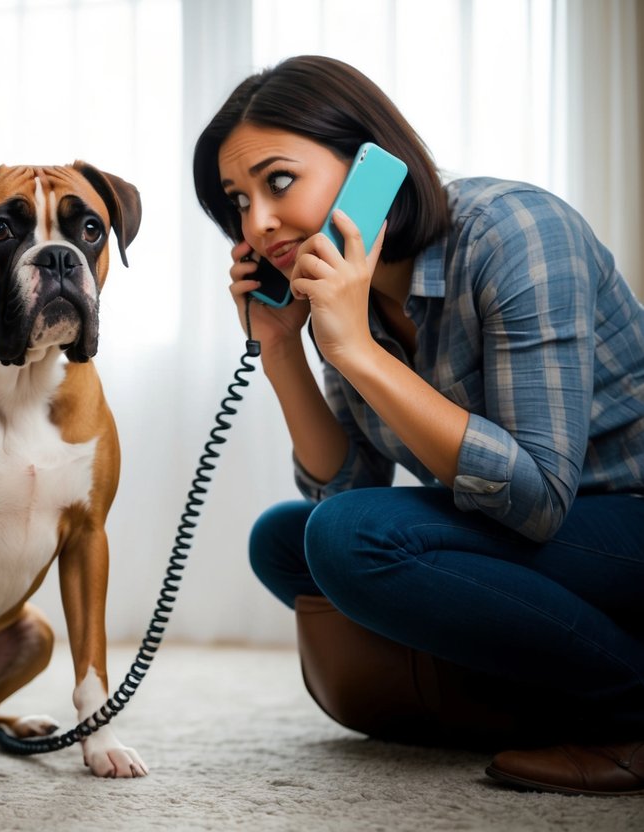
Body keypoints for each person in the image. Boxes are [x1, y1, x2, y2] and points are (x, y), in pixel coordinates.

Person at [192, 55, 644, 796]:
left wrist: (358, 353)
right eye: (235, 201)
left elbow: (535, 498)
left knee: (350, 540)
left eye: (277, 182)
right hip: (527, 538)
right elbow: (343, 486)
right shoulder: (345, 288)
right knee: (285, 542)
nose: (257, 223)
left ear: (373, 167)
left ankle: (628, 705)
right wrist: (280, 351)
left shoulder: (516, 234)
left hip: (618, 519)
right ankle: (535, 691)